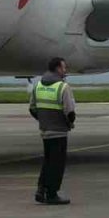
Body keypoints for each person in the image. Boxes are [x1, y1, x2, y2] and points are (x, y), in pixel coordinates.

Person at [29, 57, 76, 205]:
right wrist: (69, 123)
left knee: (48, 161)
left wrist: (44, 121)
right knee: (57, 164)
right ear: (57, 68)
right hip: (59, 131)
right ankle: (52, 194)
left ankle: (41, 189)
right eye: (63, 67)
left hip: (45, 130)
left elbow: (32, 108)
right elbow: (70, 112)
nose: (65, 70)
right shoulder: (63, 87)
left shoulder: (37, 85)